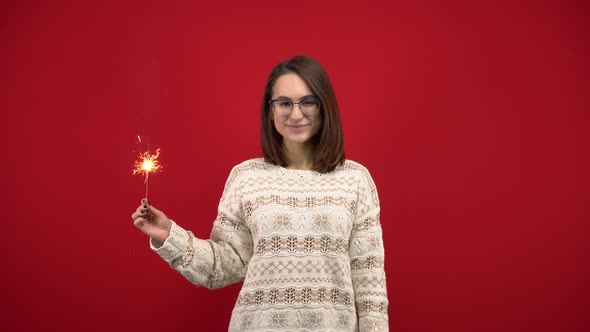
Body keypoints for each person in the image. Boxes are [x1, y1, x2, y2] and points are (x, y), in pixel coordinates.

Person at [131, 55, 389, 331]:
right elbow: (223, 267)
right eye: (284, 103)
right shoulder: (246, 177)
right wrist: (169, 235)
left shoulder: (355, 179)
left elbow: (369, 281)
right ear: (270, 110)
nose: (296, 114)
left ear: (324, 106)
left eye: (308, 101)